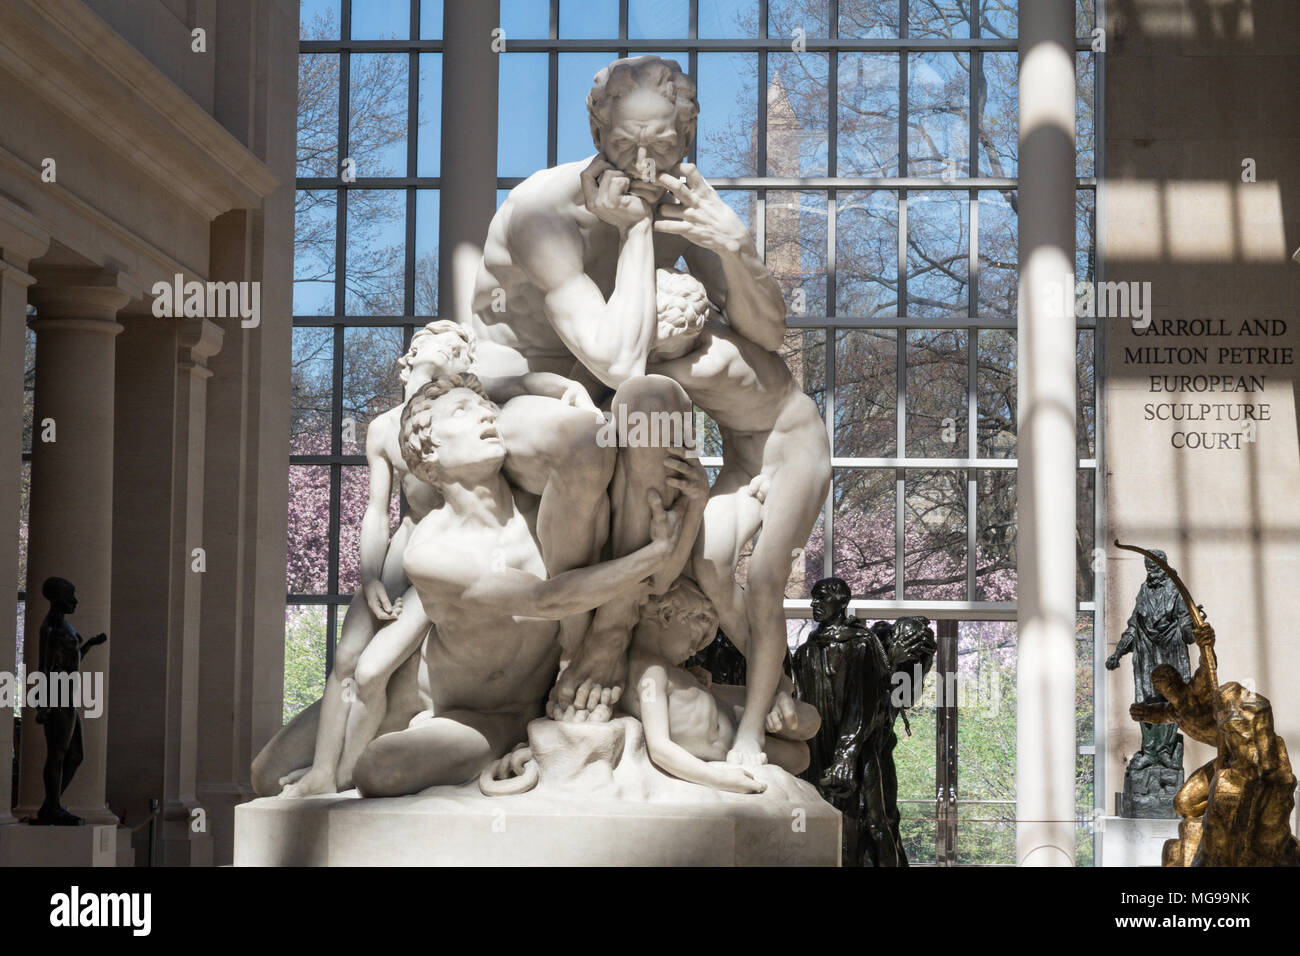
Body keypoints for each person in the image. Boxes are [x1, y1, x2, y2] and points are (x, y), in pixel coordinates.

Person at [467, 55, 787, 720]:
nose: (644, 165)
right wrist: (638, 229)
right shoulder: (542, 212)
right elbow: (616, 358)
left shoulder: (679, 197)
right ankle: (574, 640)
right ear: (596, 129)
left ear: (687, 137)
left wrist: (736, 247)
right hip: (519, 394)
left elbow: (768, 333)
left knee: (655, 403)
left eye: (663, 145)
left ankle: (613, 631)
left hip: (614, 395)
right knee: (590, 439)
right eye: (624, 145)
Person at [345, 374, 695, 797]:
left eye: (484, 409)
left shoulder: (546, 508)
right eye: (461, 411)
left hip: (528, 702)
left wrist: (696, 501)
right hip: (466, 710)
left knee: (656, 394)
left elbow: (656, 582)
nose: (485, 418)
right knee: (358, 771)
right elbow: (545, 600)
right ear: (428, 451)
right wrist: (652, 554)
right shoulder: (432, 551)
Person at [634, 266, 831, 765]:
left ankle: (751, 733)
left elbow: (614, 370)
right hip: (746, 462)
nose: (658, 352)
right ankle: (776, 685)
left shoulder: (696, 364)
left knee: (765, 581)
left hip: (796, 450)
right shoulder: (713, 324)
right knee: (708, 565)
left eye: (663, 346)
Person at [621, 579, 819, 794]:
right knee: (801, 756)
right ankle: (775, 704)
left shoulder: (662, 668)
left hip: (727, 727)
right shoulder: (650, 671)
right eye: (694, 640)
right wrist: (721, 780)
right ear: (668, 616)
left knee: (808, 723)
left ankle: (776, 702)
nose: (694, 651)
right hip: (727, 747)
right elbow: (660, 748)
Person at [33, 577, 106, 826]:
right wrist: (43, 705)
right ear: (57, 598)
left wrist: (89, 646)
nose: (75, 600)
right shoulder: (50, 628)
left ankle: (50, 805)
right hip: (57, 699)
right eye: (70, 595)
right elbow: (44, 669)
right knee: (58, 754)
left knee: (75, 756)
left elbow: (70, 662)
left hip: (69, 698)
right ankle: (51, 808)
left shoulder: (66, 626)